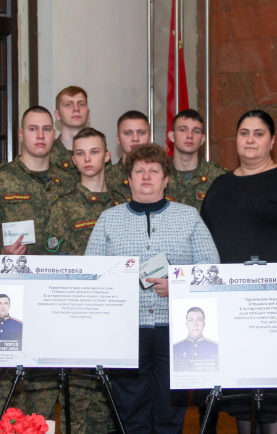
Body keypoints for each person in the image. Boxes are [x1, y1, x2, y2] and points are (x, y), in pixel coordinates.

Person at [86, 143, 219, 434]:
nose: (146, 176)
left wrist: (178, 286)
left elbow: (212, 270)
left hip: (175, 330)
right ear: (128, 179)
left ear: (165, 179)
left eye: (154, 171)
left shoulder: (189, 217)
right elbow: (92, 274)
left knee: (170, 413)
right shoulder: (109, 219)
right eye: (139, 171)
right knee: (129, 411)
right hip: (125, 330)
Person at [201, 109, 277, 434]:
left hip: (274, 309)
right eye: (244, 133)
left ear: (272, 141)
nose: (250, 140)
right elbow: (204, 246)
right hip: (230, 308)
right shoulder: (219, 186)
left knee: (273, 393)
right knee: (243, 396)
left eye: (258, 133)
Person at [0, 106, 76, 257]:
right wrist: (2, 252)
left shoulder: (68, 182)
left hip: (61, 270)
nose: (40, 136)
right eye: (33, 129)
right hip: (17, 270)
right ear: (21, 134)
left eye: (46, 129)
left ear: (54, 135)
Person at [43, 128, 122, 255]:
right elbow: (56, 259)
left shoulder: (122, 203)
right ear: (74, 160)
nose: (87, 159)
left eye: (94, 152)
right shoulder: (65, 206)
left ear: (107, 156)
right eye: (80, 153)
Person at [164, 109, 227, 210]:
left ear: (202, 139)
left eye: (196, 131)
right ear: (172, 136)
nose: (190, 136)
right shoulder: (159, 174)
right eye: (183, 130)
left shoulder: (218, 177)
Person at [105, 111, 151, 202]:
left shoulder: (164, 177)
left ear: (149, 137)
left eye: (141, 133)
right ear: (118, 138)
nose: (135, 139)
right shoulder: (105, 179)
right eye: (128, 133)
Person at [51, 86, 90, 180]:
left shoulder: (98, 153)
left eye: (81, 104)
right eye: (69, 105)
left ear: (88, 114)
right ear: (57, 114)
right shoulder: (47, 154)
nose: (76, 109)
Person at [172, 307, 219, 371]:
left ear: (204, 324)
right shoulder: (175, 349)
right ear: (186, 324)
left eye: (199, 320)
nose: (195, 324)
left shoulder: (216, 348)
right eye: (191, 320)